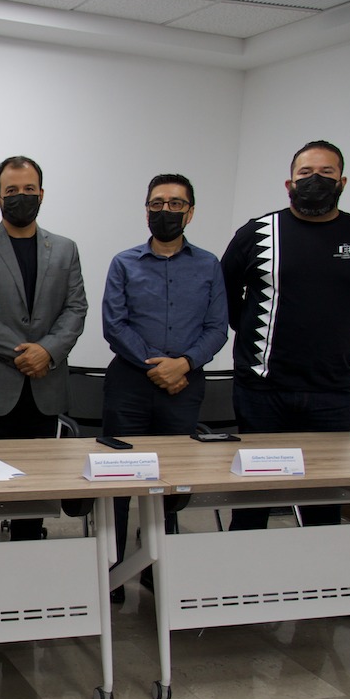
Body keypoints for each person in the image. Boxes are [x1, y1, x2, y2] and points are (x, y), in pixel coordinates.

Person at [222, 140, 350, 530]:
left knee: (322, 501)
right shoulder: (258, 233)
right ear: (289, 183)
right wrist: (251, 332)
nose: (315, 180)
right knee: (253, 500)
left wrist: (332, 333)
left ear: (342, 182)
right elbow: (224, 295)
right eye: (305, 173)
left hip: (330, 392)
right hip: (262, 390)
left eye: (326, 173)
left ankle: (316, 567)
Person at [102, 174, 228, 601]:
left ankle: (157, 566)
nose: (166, 211)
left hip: (185, 385)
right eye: (157, 203)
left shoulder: (209, 265)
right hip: (129, 385)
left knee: (172, 481)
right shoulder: (124, 263)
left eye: (176, 204)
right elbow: (114, 324)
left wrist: (184, 364)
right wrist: (157, 366)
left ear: (190, 212)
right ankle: (112, 568)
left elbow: (217, 327)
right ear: (146, 211)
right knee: (119, 482)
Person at [0, 156, 87, 543]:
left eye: (29, 189)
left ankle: (27, 559)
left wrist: (48, 351)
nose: (20, 196)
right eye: (11, 190)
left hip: (44, 389)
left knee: (34, 491)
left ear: (42, 194)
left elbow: (76, 309)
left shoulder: (65, 249)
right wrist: (24, 353)